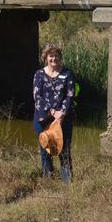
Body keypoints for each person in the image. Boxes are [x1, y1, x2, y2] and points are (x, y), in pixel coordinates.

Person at [32, 43, 76, 182]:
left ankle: (67, 182)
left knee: (64, 150)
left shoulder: (68, 74)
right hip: (42, 118)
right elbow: (37, 96)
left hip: (63, 119)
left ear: (60, 57)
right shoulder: (39, 74)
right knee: (45, 149)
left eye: (56, 55)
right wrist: (51, 111)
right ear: (46, 57)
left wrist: (61, 113)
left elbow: (70, 95)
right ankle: (48, 179)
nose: (53, 58)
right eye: (51, 55)